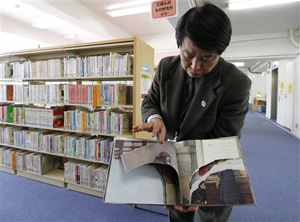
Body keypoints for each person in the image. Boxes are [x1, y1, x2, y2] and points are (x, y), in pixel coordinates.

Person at [132, 2, 251, 222]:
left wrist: (193, 188)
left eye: (207, 58)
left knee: (209, 218)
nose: (195, 66)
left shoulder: (236, 83)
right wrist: (155, 117)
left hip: (210, 174)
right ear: (179, 45)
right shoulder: (167, 67)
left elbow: (223, 143)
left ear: (219, 53)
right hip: (174, 166)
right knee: (178, 217)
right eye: (188, 55)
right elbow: (150, 101)